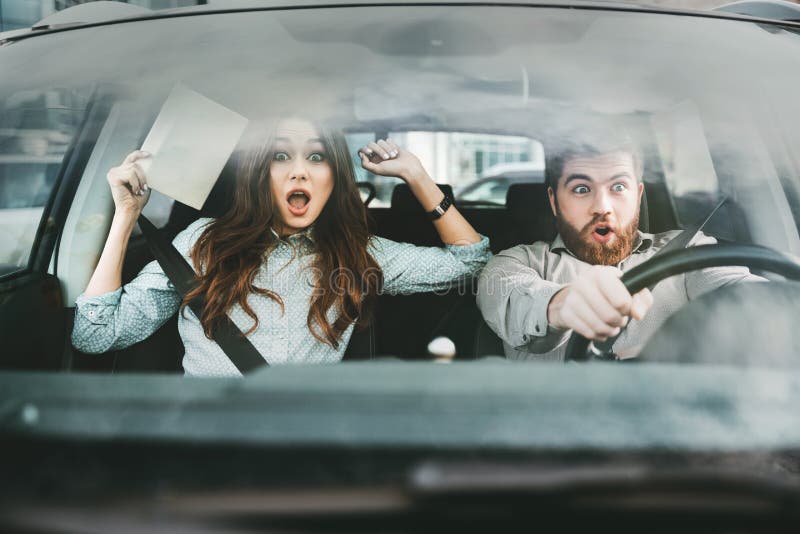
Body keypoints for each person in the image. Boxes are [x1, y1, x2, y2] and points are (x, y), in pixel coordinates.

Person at [72, 118, 490, 376]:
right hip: (210, 448)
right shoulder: (202, 243)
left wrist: (416, 175)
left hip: (299, 447)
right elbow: (95, 334)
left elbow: (471, 264)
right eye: (280, 156)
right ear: (259, 172)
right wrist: (125, 215)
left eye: (316, 158)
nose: (299, 173)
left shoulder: (358, 252)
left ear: (334, 176)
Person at [476, 131, 763, 361]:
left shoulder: (689, 250)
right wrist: (566, 303)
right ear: (554, 201)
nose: (602, 207)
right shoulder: (512, 265)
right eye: (581, 189)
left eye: (618, 187)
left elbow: (749, 298)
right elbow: (516, 299)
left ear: (638, 195)